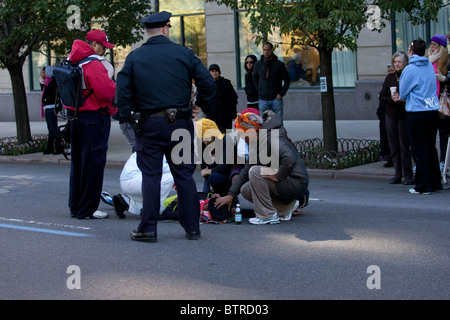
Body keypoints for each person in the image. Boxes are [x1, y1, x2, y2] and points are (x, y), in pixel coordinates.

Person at [116, 11, 216, 242]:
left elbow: (122, 92)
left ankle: (148, 228)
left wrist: (129, 118)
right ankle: (192, 228)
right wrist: (198, 105)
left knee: (151, 176)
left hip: (149, 125)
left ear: (148, 31)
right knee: (183, 176)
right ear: (165, 28)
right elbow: (208, 84)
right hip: (180, 124)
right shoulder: (184, 53)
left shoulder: (135, 57)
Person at [214, 111, 309, 224]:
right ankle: (284, 209)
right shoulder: (257, 143)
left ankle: (267, 215)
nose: (243, 138)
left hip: (296, 181)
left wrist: (278, 176)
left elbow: (289, 157)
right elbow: (245, 172)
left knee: (255, 171)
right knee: (246, 189)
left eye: (244, 134)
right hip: (286, 180)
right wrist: (231, 195)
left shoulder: (272, 137)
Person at [66, 29, 117, 219]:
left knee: (78, 164)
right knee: (94, 164)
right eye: (103, 46)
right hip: (95, 118)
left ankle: (75, 205)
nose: (105, 50)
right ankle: (88, 209)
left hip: (76, 117)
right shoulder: (94, 64)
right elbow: (107, 92)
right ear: (94, 45)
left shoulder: (75, 61)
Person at [393, 38, 442, 194]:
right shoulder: (428, 65)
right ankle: (435, 182)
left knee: (419, 149)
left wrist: (402, 95)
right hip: (432, 110)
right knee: (430, 148)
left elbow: (404, 92)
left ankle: (423, 185)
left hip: (417, 112)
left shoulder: (410, 69)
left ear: (411, 51)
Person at [379, 52, 413, 185]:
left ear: (404, 63)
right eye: (395, 62)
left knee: (404, 146)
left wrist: (402, 99)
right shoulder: (390, 78)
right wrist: (391, 99)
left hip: (404, 114)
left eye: (399, 62)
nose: (397, 64)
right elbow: (382, 96)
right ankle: (397, 174)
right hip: (391, 115)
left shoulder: (407, 76)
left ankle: (408, 174)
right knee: (394, 146)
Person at [112, 153, 174, 219]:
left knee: (151, 199)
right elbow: (161, 167)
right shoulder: (160, 148)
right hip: (133, 181)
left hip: (131, 182)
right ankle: (152, 210)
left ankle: (125, 202)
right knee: (171, 177)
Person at [196, 118, 244, 196]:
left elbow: (225, 167)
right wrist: (210, 182)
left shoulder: (226, 140)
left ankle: (230, 196)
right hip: (211, 176)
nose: (205, 141)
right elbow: (204, 168)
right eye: (202, 138)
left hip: (225, 175)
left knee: (215, 178)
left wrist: (209, 172)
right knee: (207, 197)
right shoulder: (202, 144)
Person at [426, 34, 450, 173]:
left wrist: (444, 78)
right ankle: (432, 162)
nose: (433, 48)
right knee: (430, 133)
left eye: (436, 45)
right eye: (432, 44)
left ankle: (443, 161)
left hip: (441, 102)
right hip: (428, 102)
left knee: (443, 133)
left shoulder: (446, 62)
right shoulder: (427, 60)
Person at [253, 42, 290, 123]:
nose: (266, 52)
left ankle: (276, 136)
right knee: (264, 123)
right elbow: (254, 77)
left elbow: (287, 80)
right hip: (263, 98)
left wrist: (281, 94)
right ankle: (267, 136)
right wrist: (259, 90)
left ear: (272, 50)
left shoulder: (279, 64)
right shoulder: (258, 64)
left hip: (276, 98)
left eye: (268, 50)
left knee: (277, 123)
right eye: (264, 50)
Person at [202, 64, 238, 133]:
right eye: (212, 71)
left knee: (227, 135)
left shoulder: (226, 83)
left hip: (225, 115)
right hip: (212, 115)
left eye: (216, 71)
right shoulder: (206, 85)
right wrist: (207, 111)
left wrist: (230, 110)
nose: (214, 73)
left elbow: (233, 97)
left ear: (219, 72)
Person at [40, 66, 64, 155]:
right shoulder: (47, 82)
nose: (42, 74)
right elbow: (44, 91)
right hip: (47, 107)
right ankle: (50, 148)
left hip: (51, 107)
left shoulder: (52, 82)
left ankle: (59, 147)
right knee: (50, 128)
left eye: (43, 72)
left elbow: (53, 95)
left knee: (53, 127)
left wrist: (45, 99)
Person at [377, 64, 394, 168]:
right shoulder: (387, 80)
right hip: (385, 111)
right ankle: (388, 156)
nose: (390, 72)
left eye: (391, 70)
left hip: (393, 111)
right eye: (388, 71)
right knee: (385, 135)